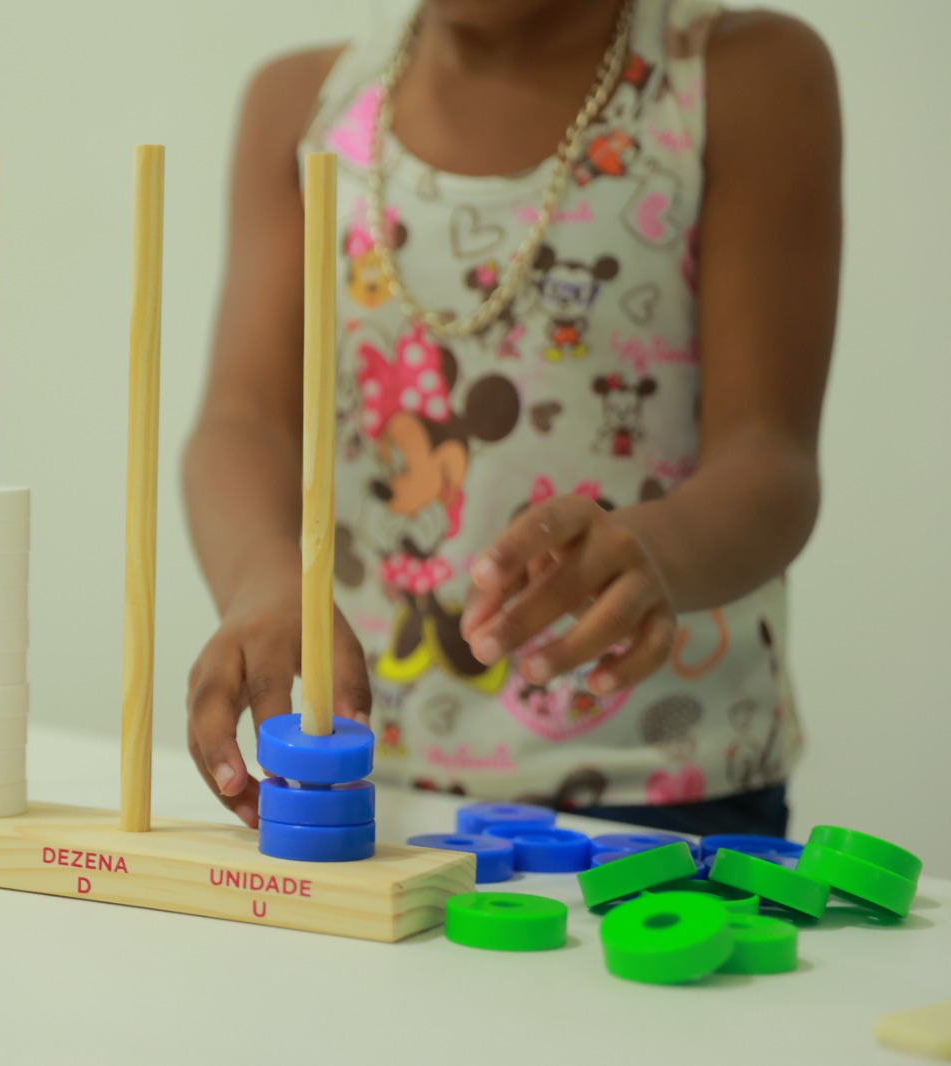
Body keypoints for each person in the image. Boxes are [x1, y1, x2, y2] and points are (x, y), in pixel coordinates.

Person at [182, 0, 838, 838]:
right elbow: (243, 421)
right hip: (366, 784)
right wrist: (262, 579)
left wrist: (658, 552)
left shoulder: (739, 76)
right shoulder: (305, 106)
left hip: (665, 792)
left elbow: (772, 456)